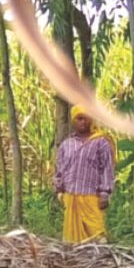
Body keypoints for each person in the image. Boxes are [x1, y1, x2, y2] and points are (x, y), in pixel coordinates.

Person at [54, 104, 115, 244]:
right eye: (79, 118)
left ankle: (102, 260)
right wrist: (59, 190)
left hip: (91, 197)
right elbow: (60, 169)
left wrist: (105, 193)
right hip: (71, 196)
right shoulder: (66, 144)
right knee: (71, 240)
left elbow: (106, 168)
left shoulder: (101, 142)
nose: (83, 122)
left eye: (86, 118)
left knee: (98, 235)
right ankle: (76, 264)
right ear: (73, 121)